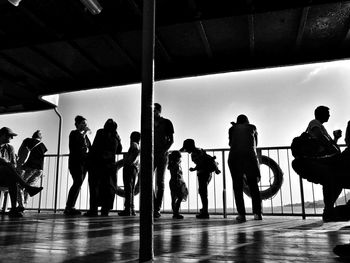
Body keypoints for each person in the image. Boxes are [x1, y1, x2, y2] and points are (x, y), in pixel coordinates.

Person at [306, 106, 342, 221]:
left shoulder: (321, 126)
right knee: (331, 182)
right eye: (327, 113)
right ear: (321, 114)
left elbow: (328, 144)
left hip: (325, 160)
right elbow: (321, 139)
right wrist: (333, 148)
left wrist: (335, 139)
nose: (329, 115)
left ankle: (328, 209)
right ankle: (328, 210)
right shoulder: (314, 123)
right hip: (320, 161)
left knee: (335, 183)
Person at [0, 127, 43, 217]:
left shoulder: (10, 148)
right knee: (6, 167)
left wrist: (8, 164)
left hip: (5, 176)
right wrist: (6, 163)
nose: (12, 138)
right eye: (10, 136)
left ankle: (14, 209)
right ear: (3, 135)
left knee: (13, 179)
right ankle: (27, 187)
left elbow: (13, 164)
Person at [228, 114, 262, 223]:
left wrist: (235, 127)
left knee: (237, 186)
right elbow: (255, 143)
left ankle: (241, 215)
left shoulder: (232, 129)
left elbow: (230, 143)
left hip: (234, 157)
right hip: (249, 157)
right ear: (247, 121)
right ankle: (257, 214)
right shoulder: (252, 127)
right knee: (253, 186)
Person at [85, 118, 122, 216]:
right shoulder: (116, 136)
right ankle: (105, 209)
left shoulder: (100, 132)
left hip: (97, 164)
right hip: (110, 165)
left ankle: (93, 210)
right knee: (109, 187)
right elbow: (119, 150)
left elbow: (95, 147)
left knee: (95, 187)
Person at [64, 115, 91, 216]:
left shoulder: (85, 136)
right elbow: (76, 146)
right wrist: (84, 134)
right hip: (76, 162)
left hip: (84, 164)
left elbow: (90, 147)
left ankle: (71, 206)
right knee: (77, 182)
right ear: (77, 124)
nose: (85, 125)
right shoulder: (74, 133)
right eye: (83, 123)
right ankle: (69, 207)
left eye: (86, 124)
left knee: (78, 184)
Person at [180, 139, 214, 219]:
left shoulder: (195, 154)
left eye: (186, 148)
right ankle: (204, 209)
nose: (186, 151)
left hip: (203, 173)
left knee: (203, 192)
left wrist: (194, 169)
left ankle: (205, 212)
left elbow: (201, 163)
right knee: (202, 191)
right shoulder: (200, 150)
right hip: (207, 172)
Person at [16, 130, 48, 211]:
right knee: (29, 187)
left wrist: (20, 165)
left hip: (30, 167)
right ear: (40, 138)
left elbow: (22, 153)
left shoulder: (28, 140)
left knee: (20, 185)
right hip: (39, 169)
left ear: (33, 135)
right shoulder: (43, 145)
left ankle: (21, 205)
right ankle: (24, 205)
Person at [153, 103, 174, 218]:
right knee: (147, 181)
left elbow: (171, 140)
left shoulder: (167, 122)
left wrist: (163, 151)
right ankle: (153, 204)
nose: (152, 112)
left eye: (154, 110)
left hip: (162, 155)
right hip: (150, 156)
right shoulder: (148, 123)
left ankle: (157, 208)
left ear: (159, 111)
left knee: (160, 182)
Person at [118, 131, 140, 217]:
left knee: (128, 189)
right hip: (135, 168)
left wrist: (128, 161)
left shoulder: (134, 145)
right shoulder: (138, 145)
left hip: (130, 168)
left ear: (131, 138)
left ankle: (128, 209)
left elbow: (135, 153)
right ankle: (132, 209)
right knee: (131, 189)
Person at [167, 150, 188, 219]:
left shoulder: (172, 164)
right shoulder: (176, 165)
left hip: (172, 182)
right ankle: (176, 212)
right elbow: (177, 175)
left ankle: (175, 212)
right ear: (177, 158)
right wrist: (178, 184)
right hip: (177, 182)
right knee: (179, 197)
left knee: (173, 198)